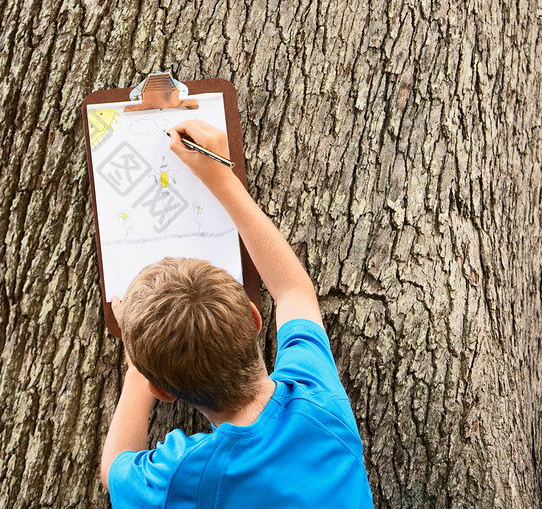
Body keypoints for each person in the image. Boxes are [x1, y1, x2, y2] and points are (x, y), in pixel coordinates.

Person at [101, 119, 373, 509]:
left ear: (160, 391)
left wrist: (134, 366)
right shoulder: (317, 398)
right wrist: (222, 178)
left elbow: (115, 471)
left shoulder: (181, 473)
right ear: (253, 316)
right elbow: (293, 291)